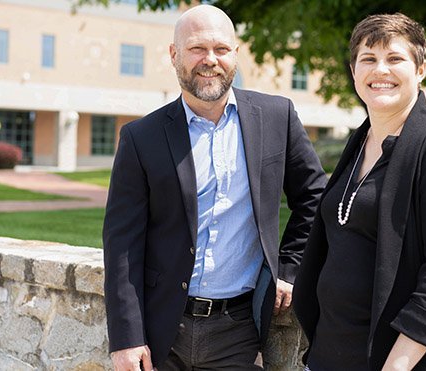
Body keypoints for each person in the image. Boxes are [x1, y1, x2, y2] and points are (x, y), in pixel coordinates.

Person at [103, 5, 326, 371]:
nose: (211, 60)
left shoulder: (276, 117)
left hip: (238, 330)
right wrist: (127, 338)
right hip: (161, 331)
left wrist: (289, 267)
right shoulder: (141, 137)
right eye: (197, 49)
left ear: (236, 54)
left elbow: (315, 197)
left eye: (221, 49)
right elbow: (121, 243)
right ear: (174, 55)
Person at [293, 13, 426, 371]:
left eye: (395, 59)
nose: (380, 70)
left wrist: (397, 366)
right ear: (354, 72)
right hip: (329, 357)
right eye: (368, 59)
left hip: (400, 364)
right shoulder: (360, 141)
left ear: (421, 69)